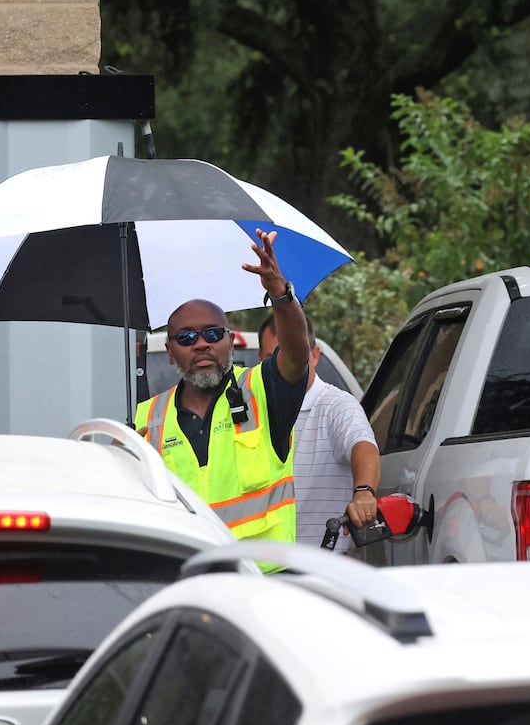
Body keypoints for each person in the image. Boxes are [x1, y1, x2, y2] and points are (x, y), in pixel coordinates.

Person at [134, 229, 312, 550]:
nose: (201, 344)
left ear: (230, 341)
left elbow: (298, 354)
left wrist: (280, 294)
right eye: (186, 338)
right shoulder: (146, 421)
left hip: (262, 580)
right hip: (187, 576)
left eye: (212, 334)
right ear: (171, 351)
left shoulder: (262, 390)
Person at [263, 313, 381, 553]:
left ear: (314, 355)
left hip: (321, 570)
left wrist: (364, 492)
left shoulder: (337, 405)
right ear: (260, 360)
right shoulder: (250, 412)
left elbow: (363, 445)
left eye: (295, 354)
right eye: (274, 357)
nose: (287, 366)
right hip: (259, 569)